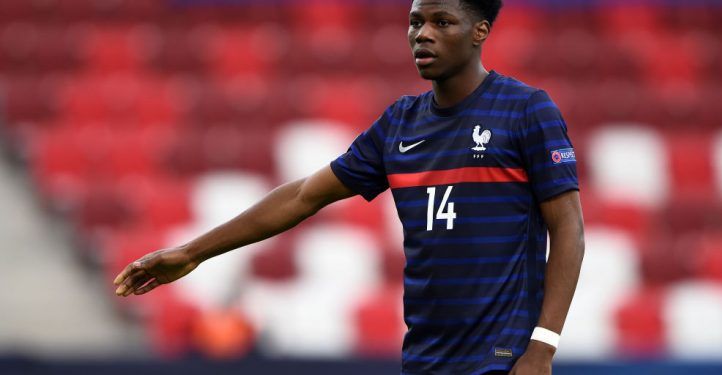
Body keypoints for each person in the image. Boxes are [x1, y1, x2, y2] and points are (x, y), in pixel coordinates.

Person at [114, 0, 585, 374]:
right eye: (415, 21)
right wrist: (194, 253)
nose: (423, 34)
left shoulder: (526, 110)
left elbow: (568, 229)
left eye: (443, 22)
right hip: (426, 358)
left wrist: (542, 346)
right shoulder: (399, 122)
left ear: (480, 31)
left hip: (502, 359)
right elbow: (303, 196)